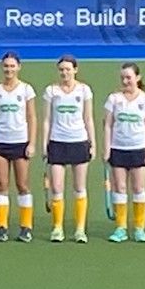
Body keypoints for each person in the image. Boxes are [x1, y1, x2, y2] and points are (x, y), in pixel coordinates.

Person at [42, 54, 95, 244]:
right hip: (57, 143)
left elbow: (88, 118)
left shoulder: (84, 90)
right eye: (62, 69)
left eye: (68, 69)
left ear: (75, 70)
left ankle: (80, 230)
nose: (65, 73)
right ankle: (57, 228)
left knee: (79, 188)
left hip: (79, 141)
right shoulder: (51, 91)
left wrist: (92, 143)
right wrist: (44, 145)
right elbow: (47, 120)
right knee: (56, 188)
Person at [0, 51, 36, 242]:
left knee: (22, 185)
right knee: (1, 185)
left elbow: (32, 117)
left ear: (18, 67)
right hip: (0, 142)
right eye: (6, 66)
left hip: (20, 142)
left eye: (12, 66)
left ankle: (26, 227)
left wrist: (31, 142)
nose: (9, 69)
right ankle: (2, 226)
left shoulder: (26, 90)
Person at [103, 62, 145, 243]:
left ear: (137, 78)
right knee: (120, 188)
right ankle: (121, 228)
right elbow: (108, 125)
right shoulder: (114, 99)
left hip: (138, 148)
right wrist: (107, 148)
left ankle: (139, 228)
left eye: (129, 77)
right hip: (118, 149)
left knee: (139, 188)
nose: (125, 81)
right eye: (123, 78)